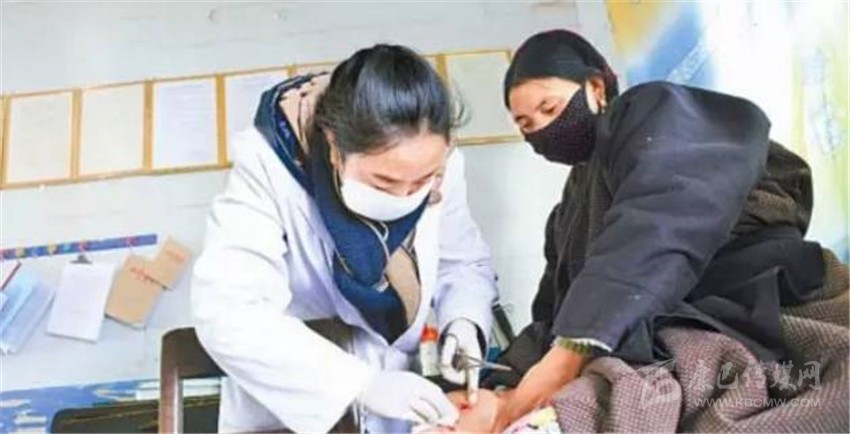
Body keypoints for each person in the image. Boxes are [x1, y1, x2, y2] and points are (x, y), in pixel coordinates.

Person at [491, 30, 825, 430]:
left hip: (745, 300)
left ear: (595, 87)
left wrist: (570, 351)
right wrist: (498, 379)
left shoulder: (653, 112)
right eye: (526, 124)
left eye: (549, 107)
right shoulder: (567, 212)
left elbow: (663, 216)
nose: (542, 129)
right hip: (645, 340)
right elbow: (555, 311)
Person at [191, 44, 498, 433]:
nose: (406, 196)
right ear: (335, 147)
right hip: (293, 407)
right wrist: (359, 383)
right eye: (383, 182)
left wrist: (464, 321)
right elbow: (230, 310)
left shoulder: (441, 162)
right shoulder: (267, 162)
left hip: (397, 404)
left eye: (422, 181)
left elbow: (463, 261)